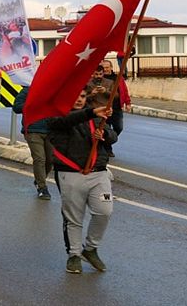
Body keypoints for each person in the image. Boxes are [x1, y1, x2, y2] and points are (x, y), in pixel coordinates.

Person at [47, 89, 117, 274]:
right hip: (70, 173)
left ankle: (91, 248)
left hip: (99, 173)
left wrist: (104, 136)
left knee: (105, 210)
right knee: (74, 218)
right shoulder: (58, 116)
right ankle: (74, 255)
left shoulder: (95, 115)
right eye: (75, 95)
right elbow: (64, 122)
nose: (79, 99)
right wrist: (90, 112)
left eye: (83, 96)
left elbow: (113, 135)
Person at [13, 86, 54, 200]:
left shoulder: (53, 89)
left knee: (50, 159)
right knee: (40, 158)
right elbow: (16, 107)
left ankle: (39, 179)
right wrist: (31, 104)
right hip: (33, 129)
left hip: (50, 129)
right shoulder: (27, 90)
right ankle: (42, 187)